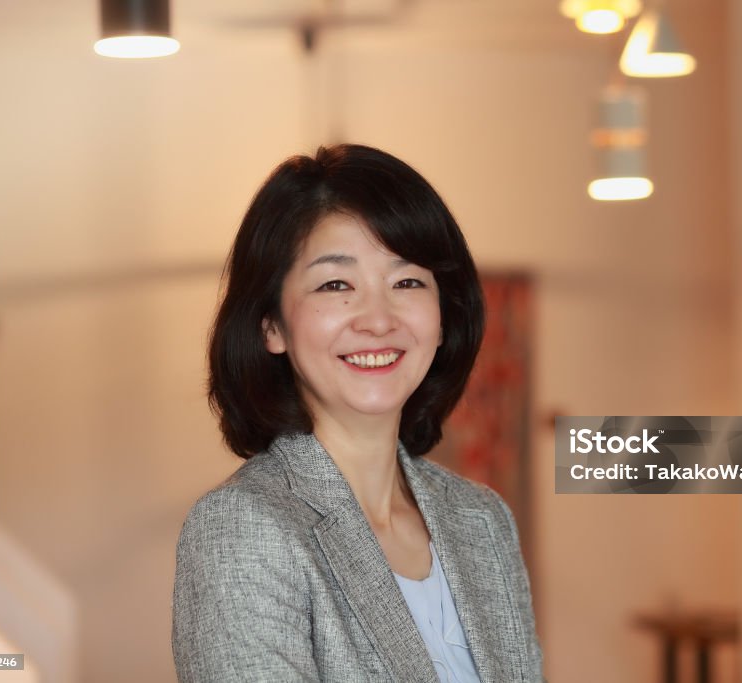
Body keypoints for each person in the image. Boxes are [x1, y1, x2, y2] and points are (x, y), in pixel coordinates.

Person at [172, 144, 543, 682]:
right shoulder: (244, 528)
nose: (377, 319)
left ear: (443, 318)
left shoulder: (482, 520)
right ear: (271, 326)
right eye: (335, 285)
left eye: (408, 282)